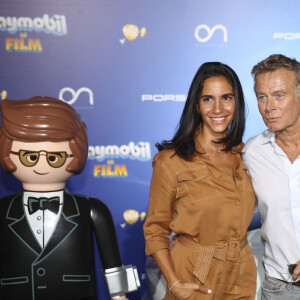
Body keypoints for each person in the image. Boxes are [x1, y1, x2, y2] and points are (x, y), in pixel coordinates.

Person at [0, 97, 139, 300]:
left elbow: (112, 262)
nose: (40, 165)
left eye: (53, 158)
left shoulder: (91, 209)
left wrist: (119, 295)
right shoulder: (3, 210)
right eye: (29, 157)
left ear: (75, 155)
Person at [143, 62, 257, 299]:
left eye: (226, 97)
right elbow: (155, 232)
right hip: (193, 275)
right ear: (196, 105)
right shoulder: (170, 161)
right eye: (207, 99)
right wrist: (174, 284)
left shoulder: (249, 155)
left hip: (241, 273)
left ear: (237, 103)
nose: (218, 108)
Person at [243, 54, 300, 299]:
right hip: (279, 289)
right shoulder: (252, 152)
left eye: (279, 95)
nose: (269, 107)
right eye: (261, 97)